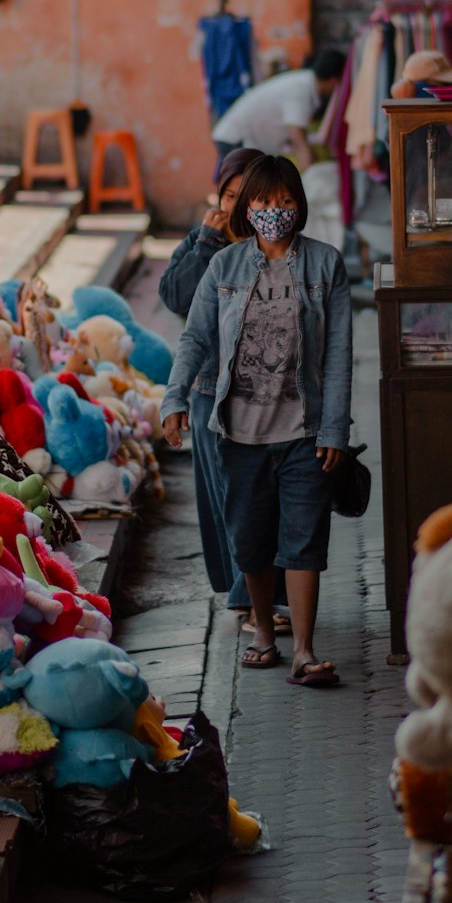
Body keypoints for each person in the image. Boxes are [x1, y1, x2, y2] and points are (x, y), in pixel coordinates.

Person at [160, 154, 353, 687]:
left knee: (305, 538)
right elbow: (196, 337)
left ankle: (305, 651)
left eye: (286, 201)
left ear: (300, 206)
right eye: (265, 203)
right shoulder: (224, 267)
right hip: (238, 432)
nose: (275, 212)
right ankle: (264, 634)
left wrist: (335, 428)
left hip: (304, 432)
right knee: (250, 538)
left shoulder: (325, 265)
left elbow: (338, 354)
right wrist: (174, 398)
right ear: (248, 209)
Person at [157, 147, 289, 630]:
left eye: (245, 195)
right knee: (231, 498)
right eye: (228, 194)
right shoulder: (202, 240)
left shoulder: (275, 241)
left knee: (269, 496)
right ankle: (249, 602)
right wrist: (209, 240)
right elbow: (176, 299)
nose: (235, 205)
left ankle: (255, 599)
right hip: (211, 390)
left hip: (271, 390)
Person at [212, 49, 346, 171]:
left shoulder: (303, 82)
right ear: (334, 80)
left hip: (241, 139)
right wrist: (309, 174)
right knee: (248, 191)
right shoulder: (300, 90)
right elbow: (298, 139)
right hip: (236, 140)